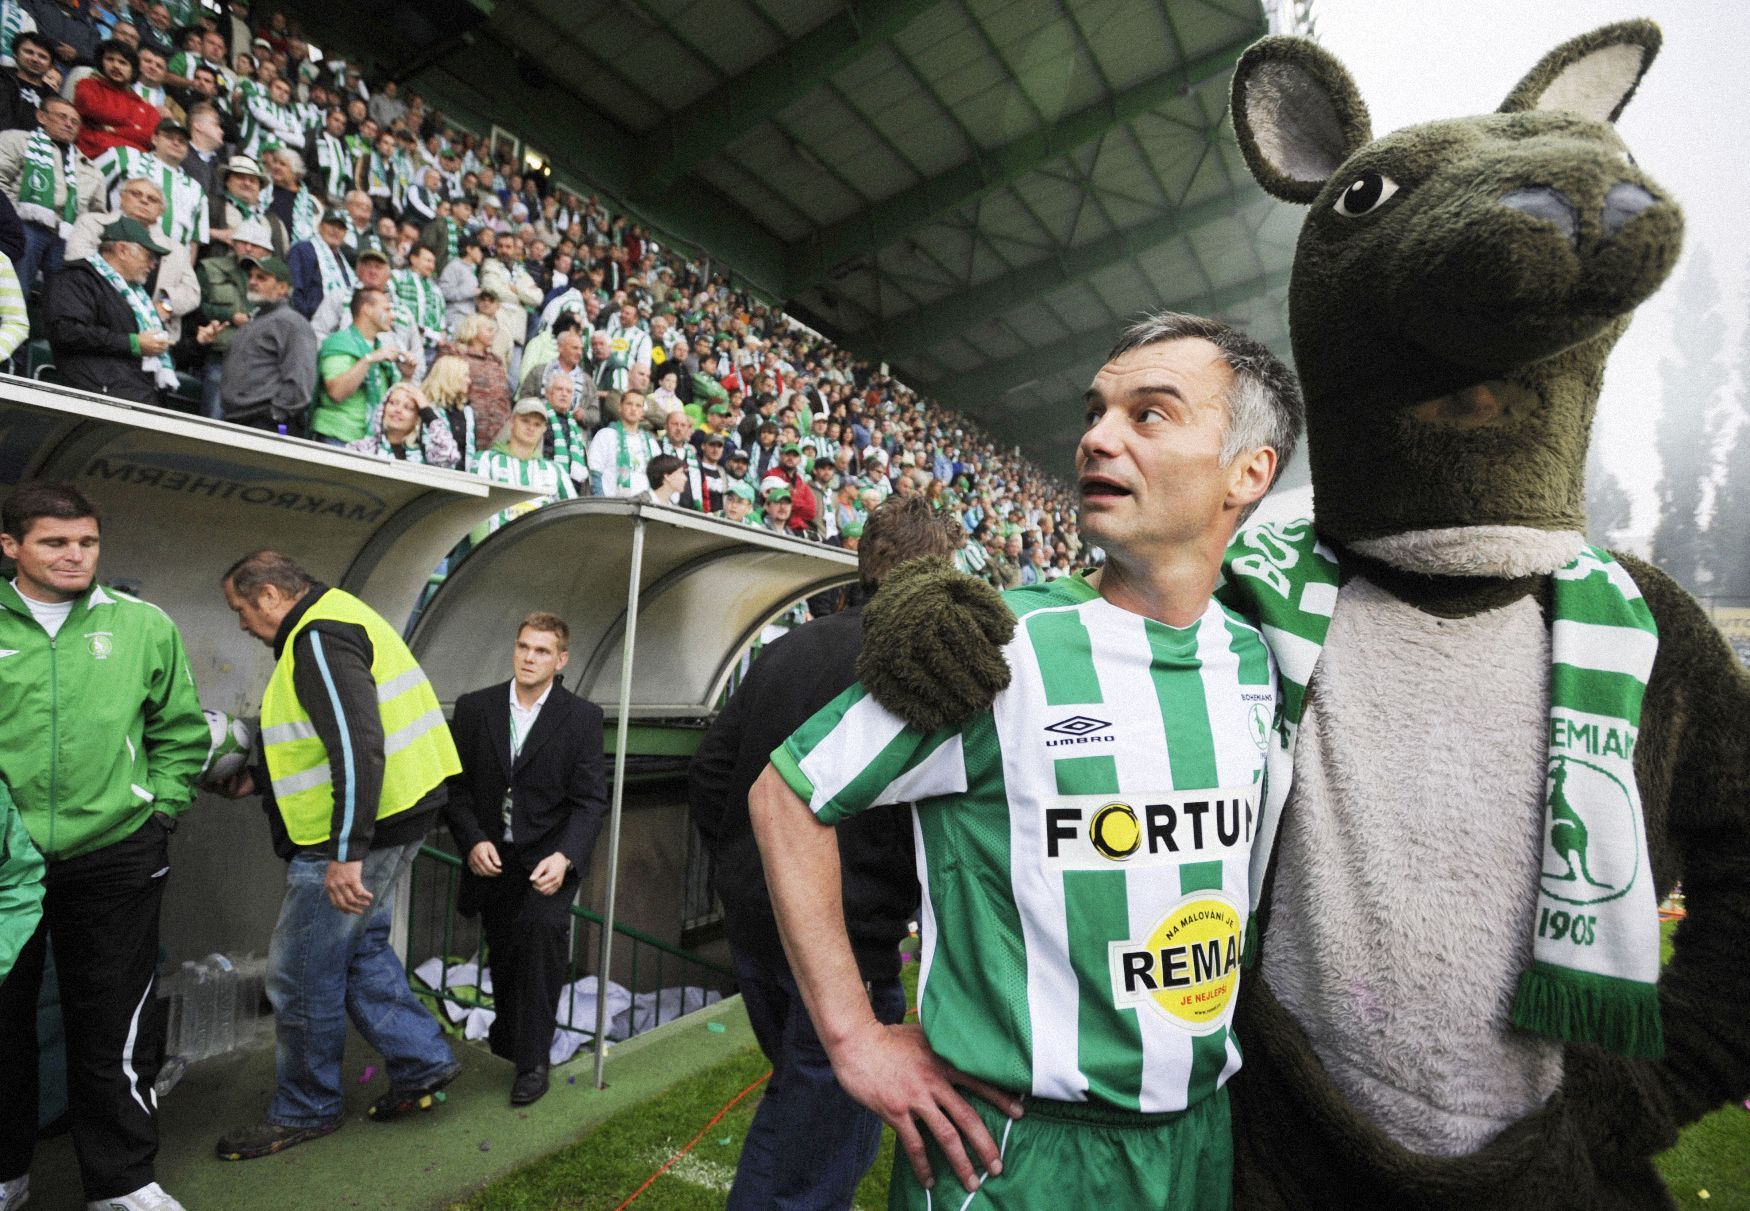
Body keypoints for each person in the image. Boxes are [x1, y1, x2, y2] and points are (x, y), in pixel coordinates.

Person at [747, 313, 1303, 1208]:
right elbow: (787, 795)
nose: (1096, 435)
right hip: (1015, 1151)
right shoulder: (998, 644)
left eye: (1149, 414)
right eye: (1097, 410)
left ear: (1249, 472)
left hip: (1198, 1136)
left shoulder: (1258, 655)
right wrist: (854, 1035)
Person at [691, 497, 954, 1210]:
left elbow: (711, 772)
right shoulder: (921, 658)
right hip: (842, 938)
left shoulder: (788, 647)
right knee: (816, 1151)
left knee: (800, 1108)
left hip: (754, 918)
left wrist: (742, 869)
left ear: (866, 558)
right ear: (942, 567)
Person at [0, 481, 208, 1211]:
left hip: (116, 850)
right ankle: (6, 1171)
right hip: (4, 864)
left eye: (86, 541)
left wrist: (161, 811)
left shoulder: (143, 624)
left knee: (115, 1018)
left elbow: (181, 732)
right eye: (55, 541)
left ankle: (121, 1180)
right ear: (10, 547)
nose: (74, 555)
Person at [213, 549, 461, 1160]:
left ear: (270, 594)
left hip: (352, 837)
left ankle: (306, 1108)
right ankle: (421, 1060)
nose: (241, 623)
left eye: (241, 609)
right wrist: (259, 781)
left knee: (299, 975)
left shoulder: (317, 638)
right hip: (402, 815)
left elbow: (356, 745)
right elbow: (318, 737)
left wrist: (346, 855)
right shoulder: (334, 616)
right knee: (359, 950)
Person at [442, 612, 606, 1105]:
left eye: (540, 651)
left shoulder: (582, 718)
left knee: (541, 944)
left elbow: (590, 800)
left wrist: (565, 857)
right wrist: (471, 840)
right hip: (493, 858)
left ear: (561, 660)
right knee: (507, 958)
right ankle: (509, 1041)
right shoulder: (475, 709)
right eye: (522, 647)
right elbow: (456, 788)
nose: (529, 658)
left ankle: (533, 1063)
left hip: (548, 859)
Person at [46, 215, 180, 403]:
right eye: (149, 256)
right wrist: (132, 343)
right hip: (97, 397)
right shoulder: (77, 279)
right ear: (122, 250)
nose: (152, 265)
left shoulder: (137, 297)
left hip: (136, 394)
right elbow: (66, 331)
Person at [0, 95, 88, 294]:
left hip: (64, 233)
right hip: (20, 224)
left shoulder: (84, 164)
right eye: (62, 117)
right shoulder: (16, 140)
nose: (69, 124)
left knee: (64, 289)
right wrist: (11, 219)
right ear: (41, 116)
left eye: (74, 122)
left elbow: (91, 211)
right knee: (16, 286)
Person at [219, 253, 316, 433]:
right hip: (237, 421)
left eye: (262, 278)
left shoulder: (292, 323)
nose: (253, 282)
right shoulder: (254, 321)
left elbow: (300, 380)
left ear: (282, 287)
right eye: (252, 277)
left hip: (266, 424)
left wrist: (276, 415)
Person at [309, 285, 414, 445]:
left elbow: (389, 401)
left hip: (369, 443)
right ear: (367, 309)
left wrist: (406, 376)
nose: (392, 316)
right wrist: (369, 358)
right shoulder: (340, 342)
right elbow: (337, 392)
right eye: (386, 309)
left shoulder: (378, 348)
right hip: (337, 438)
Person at [472, 397, 577, 539]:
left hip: (539, 554)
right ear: (512, 421)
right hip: (495, 552)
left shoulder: (556, 470)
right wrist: (480, 553)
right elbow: (475, 507)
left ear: (544, 429)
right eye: (525, 420)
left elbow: (574, 514)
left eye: (537, 424)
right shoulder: (486, 460)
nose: (530, 428)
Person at [345, 381, 459, 467]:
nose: (398, 410)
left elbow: (450, 454)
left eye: (408, 407)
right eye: (393, 403)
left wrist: (426, 411)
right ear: (383, 408)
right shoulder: (360, 449)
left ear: (417, 418)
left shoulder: (426, 455)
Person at [586, 388, 656, 497]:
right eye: (629, 404)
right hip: (612, 505)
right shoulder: (605, 435)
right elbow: (594, 471)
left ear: (643, 413)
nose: (633, 409)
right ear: (620, 407)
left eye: (638, 406)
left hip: (645, 506)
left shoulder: (651, 442)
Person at [288, 207, 353, 319]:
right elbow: (295, 291)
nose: (336, 231)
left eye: (341, 228)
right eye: (331, 225)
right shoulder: (302, 250)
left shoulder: (345, 260)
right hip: (308, 322)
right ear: (320, 226)